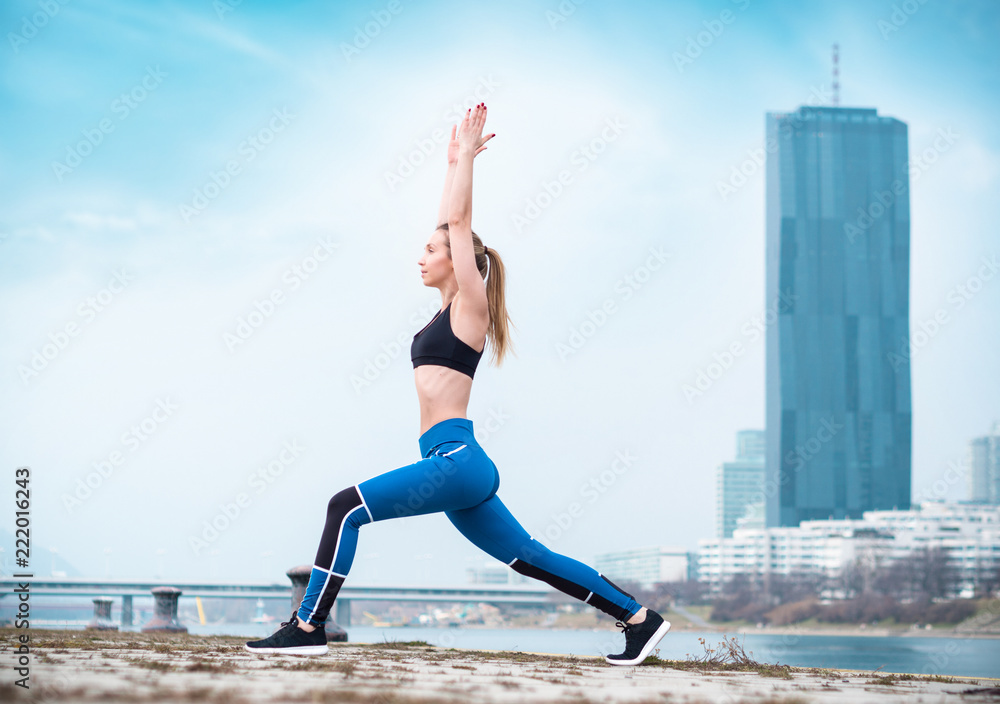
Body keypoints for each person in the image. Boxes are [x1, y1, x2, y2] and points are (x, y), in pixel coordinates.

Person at [246, 103, 670, 665]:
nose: (420, 257)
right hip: (455, 463)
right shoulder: (444, 310)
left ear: (460, 262)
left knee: (344, 508)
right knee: (526, 556)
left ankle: (308, 626)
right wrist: (449, 164)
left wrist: (467, 160)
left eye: (430, 249)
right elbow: (452, 226)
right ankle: (639, 620)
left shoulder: (471, 307)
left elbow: (459, 224)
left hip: (455, 459)